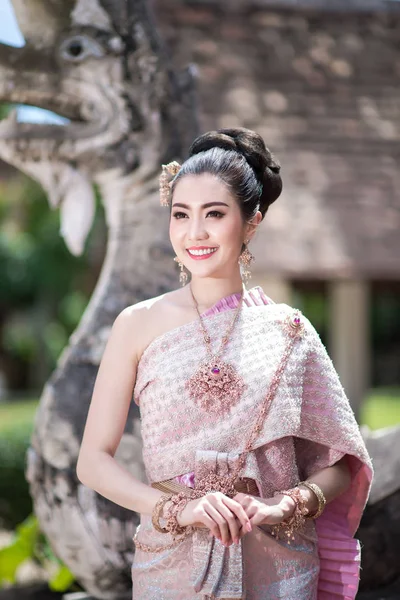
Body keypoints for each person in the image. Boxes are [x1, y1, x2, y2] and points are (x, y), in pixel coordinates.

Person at [76, 127, 373, 600]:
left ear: (251, 221)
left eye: (215, 214)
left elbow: (340, 462)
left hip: (278, 565)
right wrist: (179, 511)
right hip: (171, 563)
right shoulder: (136, 324)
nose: (194, 232)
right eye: (181, 215)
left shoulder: (289, 331)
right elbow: (92, 461)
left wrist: (280, 506)